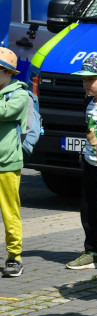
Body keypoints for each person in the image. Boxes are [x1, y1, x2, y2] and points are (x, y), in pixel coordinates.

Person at [66, 55, 97, 270]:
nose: (86, 84)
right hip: (90, 163)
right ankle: (92, 251)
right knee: (89, 209)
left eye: (91, 79)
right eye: (84, 79)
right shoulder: (89, 101)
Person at [0, 48, 29, 278]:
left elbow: (5, 112)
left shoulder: (18, 94)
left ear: (8, 72)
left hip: (7, 163)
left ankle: (14, 257)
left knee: (10, 212)